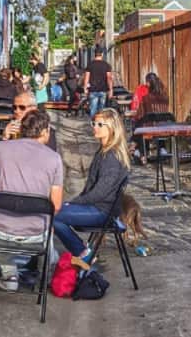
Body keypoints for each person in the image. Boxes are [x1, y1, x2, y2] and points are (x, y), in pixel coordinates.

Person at [0, 110, 64, 291]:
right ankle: (44, 274)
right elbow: (56, 205)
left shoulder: (1, 148)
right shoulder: (54, 159)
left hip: (0, 229)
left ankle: (9, 275)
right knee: (48, 222)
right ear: (45, 132)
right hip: (36, 231)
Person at [54, 108, 132, 267]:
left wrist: (77, 202)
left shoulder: (111, 156)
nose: (94, 127)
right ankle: (83, 252)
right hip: (97, 207)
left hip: (102, 212)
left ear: (111, 128)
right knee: (53, 213)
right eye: (94, 123)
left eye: (99, 124)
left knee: (54, 215)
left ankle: (84, 254)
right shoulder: (103, 151)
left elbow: (100, 192)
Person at [83, 50, 114, 118]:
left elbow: (87, 77)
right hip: (103, 90)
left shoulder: (90, 64)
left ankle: (93, 126)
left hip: (93, 90)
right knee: (102, 110)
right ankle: (100, 126)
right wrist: (111, 90)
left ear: (95, 55)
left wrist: (85, 88)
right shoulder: (106, 65)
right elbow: (109, 78)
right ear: (102, 55)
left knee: (93, 109)